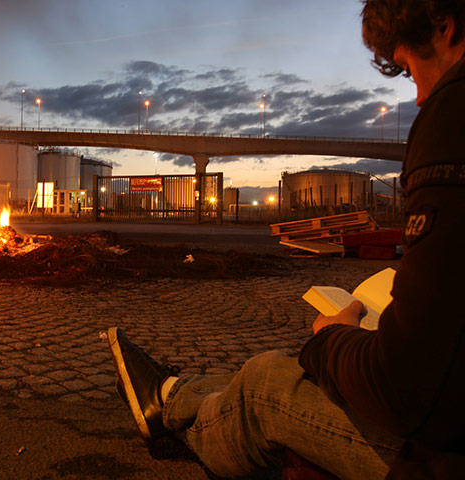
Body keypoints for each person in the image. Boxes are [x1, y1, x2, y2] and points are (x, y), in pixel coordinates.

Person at [107, 1, 465, 478]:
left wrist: (331, 338)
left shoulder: (452, 113)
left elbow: (405, 387)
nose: (418, 95)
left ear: (445, 25)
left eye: (410, 68)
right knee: (271, 371)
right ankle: (177, 390)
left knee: (266, 384)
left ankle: (169, 411)